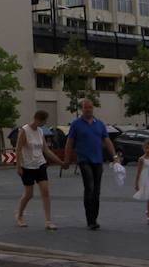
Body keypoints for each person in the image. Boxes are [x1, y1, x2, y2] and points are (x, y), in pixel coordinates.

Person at [64, 98, 117, 230]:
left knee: (97, 191)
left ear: (93, 108)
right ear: (82, 109)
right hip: (84, 160)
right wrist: (67, 159)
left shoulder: (99, 124)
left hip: (98, 161)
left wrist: (114, 156)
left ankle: (94, 218)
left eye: (90, 107)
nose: (88, 110)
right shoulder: (76, 124)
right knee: (90, 188)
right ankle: (90, 220)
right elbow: (69, 142)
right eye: (85, 107)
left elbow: (107, 140)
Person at [15, 110, 65, 231]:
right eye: (43, 121)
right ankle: (19, 215)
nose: (44, 123)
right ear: (38, 119)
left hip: (40, 164)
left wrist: (60, 162)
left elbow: (46, 150)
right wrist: (18, 166)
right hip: (27, 166)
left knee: (45, 192)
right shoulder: (24, 130)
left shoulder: (40, 131)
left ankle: (48, 221)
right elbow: (18, 149)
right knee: (29, 194)